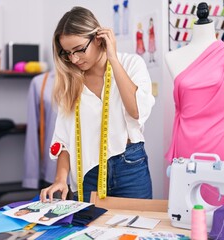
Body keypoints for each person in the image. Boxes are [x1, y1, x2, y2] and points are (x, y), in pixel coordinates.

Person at [40, 6, 155, 203]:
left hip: (130, 168)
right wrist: (60, 179)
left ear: (98, 38)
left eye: (79, 50)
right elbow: (64, 140)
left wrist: (113, 59)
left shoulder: (132, 64)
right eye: (67, 53)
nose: (74, 59)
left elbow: (136, 111)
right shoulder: (69, 81)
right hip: (89, 173)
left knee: (134, 231)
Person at [165, 2, 224, 207]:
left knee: (222, 211)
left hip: (222, 141)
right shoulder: (172, 57)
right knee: (188, 208)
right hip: (187, 142)